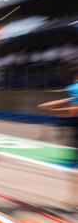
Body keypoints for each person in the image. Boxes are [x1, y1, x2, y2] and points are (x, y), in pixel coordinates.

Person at [38, 74, 78, 210]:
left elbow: (74, 111)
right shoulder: (74, 91)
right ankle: (73, 201)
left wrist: (55, 111)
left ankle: (74, 202)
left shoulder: (75, 87)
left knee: (73, 169)